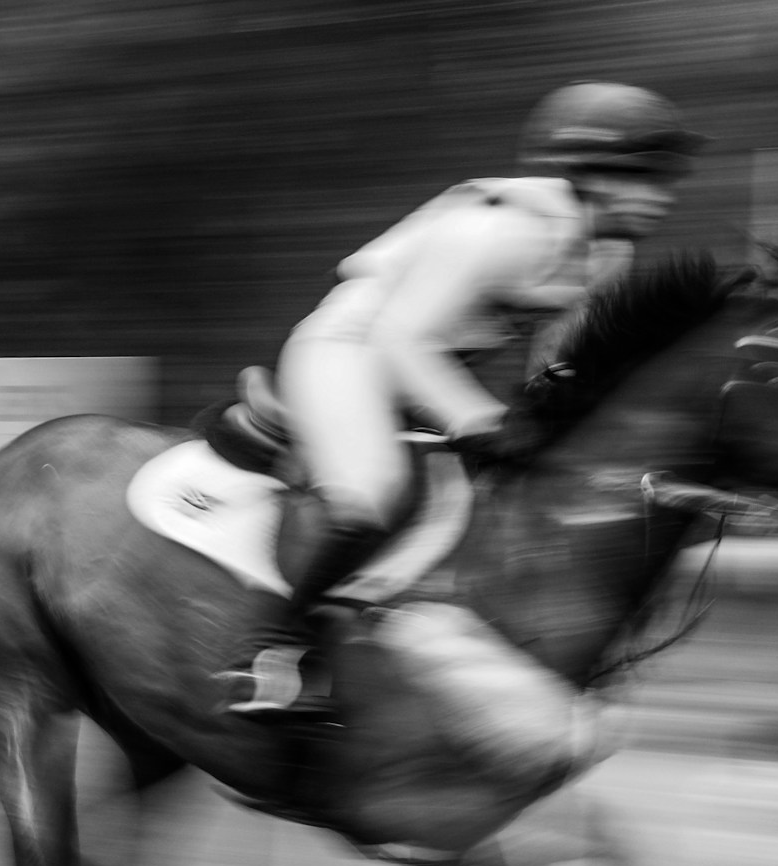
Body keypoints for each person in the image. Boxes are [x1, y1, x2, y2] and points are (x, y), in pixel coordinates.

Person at [222, 80, 706, 720]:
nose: (661, 197)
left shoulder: (606, 251)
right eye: (647, 178)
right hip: (349, 348)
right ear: (594, 175)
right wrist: (476, 420)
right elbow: (398, 335)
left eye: (665, 180)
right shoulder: (501, 231)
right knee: (371, 494)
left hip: (428, 362)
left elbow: (560, 348)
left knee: (507, 498)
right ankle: (269, 653)